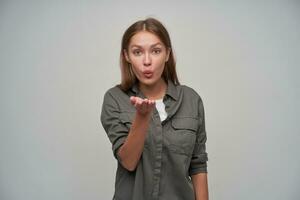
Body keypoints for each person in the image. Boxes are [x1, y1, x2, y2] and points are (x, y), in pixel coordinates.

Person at [100, 17, 209, 200]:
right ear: (127, 56)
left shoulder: (191, 99)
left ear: (167, 54)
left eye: (156, 51)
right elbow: (128, 161)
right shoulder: (114, 99)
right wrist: (142, 118)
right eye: (137, 52)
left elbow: (198, 164)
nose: (147, 61)